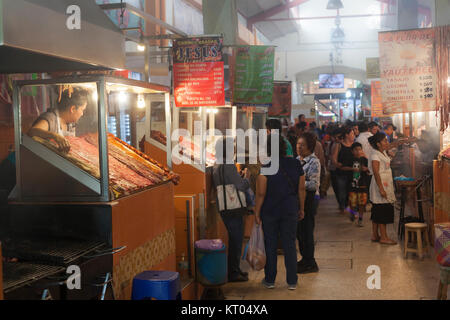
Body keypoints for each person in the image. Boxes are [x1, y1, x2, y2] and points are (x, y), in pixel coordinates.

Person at [255, 134, 305, 290]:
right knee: (289, 244)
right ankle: (292, 281)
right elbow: (301, 188)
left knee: (270, 244)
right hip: (290, 208)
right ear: (285, 147)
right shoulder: (296, 164)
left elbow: (261, 192)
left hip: (270, 210)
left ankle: (270, 280)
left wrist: (257, 212)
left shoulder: (267, 166)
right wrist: (301, 208)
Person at [212, 137, 251, 282]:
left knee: (234, 239)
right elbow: (241, 186)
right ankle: (234, 273)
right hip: (233, 207)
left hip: (224, 206)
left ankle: (235, 270)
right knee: (236, 240)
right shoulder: (228, 165)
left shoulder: (217, 165)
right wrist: (247, 178)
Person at [28, 87, 89, 153]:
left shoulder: (71, 124)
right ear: (73, 109)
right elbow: (32, 131)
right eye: (82, 110)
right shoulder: (51, 118)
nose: (82, 114)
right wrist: (55, 136)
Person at [296, 132, 320, 274]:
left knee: (307, 230)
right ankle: (305, 259)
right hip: (299, 198)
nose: (299, 147)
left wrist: (298, 182)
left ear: (310, 146)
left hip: (310, 199)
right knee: (300, 232)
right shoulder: (297, 160)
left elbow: (314, 184)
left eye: (302, 145)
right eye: (298, 144)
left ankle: (311, 262)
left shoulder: (314, 162)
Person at [368, 133, 397, 245]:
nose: (387, 143)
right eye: (384, 141)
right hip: (380, 184)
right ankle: (384, 237)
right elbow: (376, 171)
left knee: (377, 209)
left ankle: (375, 234)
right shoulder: (375, 154)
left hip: (385, 183)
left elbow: (390, 146)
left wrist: (402, 141)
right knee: (382, 210)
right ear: (378, 144)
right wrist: (381, 188)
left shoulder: (382, 151)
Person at [334, 126, 355, 214]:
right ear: (347, 135)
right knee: (342, 192)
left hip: (352, 172)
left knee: (351, 191)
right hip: (341, 172)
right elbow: (334, 157)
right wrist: (337, 164)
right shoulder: (339, 145)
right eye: (352, 134)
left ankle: (348, 207)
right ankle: (343, 206)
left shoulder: (355, 145)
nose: (354, 135)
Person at [348, 142, 369, 227]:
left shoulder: (365, 160)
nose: (358, 151)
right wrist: (352, 169)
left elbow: (369, 170)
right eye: (356, 149)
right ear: (352, 151)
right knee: (352, 202)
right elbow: (342, 167)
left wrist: (366, 169)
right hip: (352, 185)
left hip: (362, 185)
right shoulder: (349, 159)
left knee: (362, 203)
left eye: (359, 149)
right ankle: (352, 213)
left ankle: (360, 218)